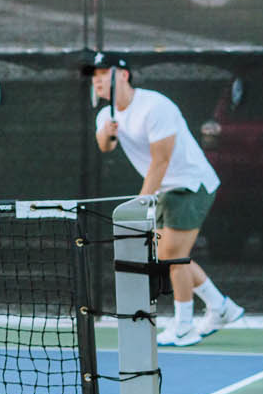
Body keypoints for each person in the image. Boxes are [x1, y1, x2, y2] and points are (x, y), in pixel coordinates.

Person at [86, 51, 243, 348]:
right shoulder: (105, 115)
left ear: (124, 75)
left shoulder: (155, 106)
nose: (97, 81)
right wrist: (106, 133)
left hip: (190, 183)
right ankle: (221, 307)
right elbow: (105, 146)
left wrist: (141, 203)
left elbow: (161, 160)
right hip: (164, 190)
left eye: (103, 74)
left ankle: (184, 327)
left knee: (173, 256)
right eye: (95, 76)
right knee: (170, 254)